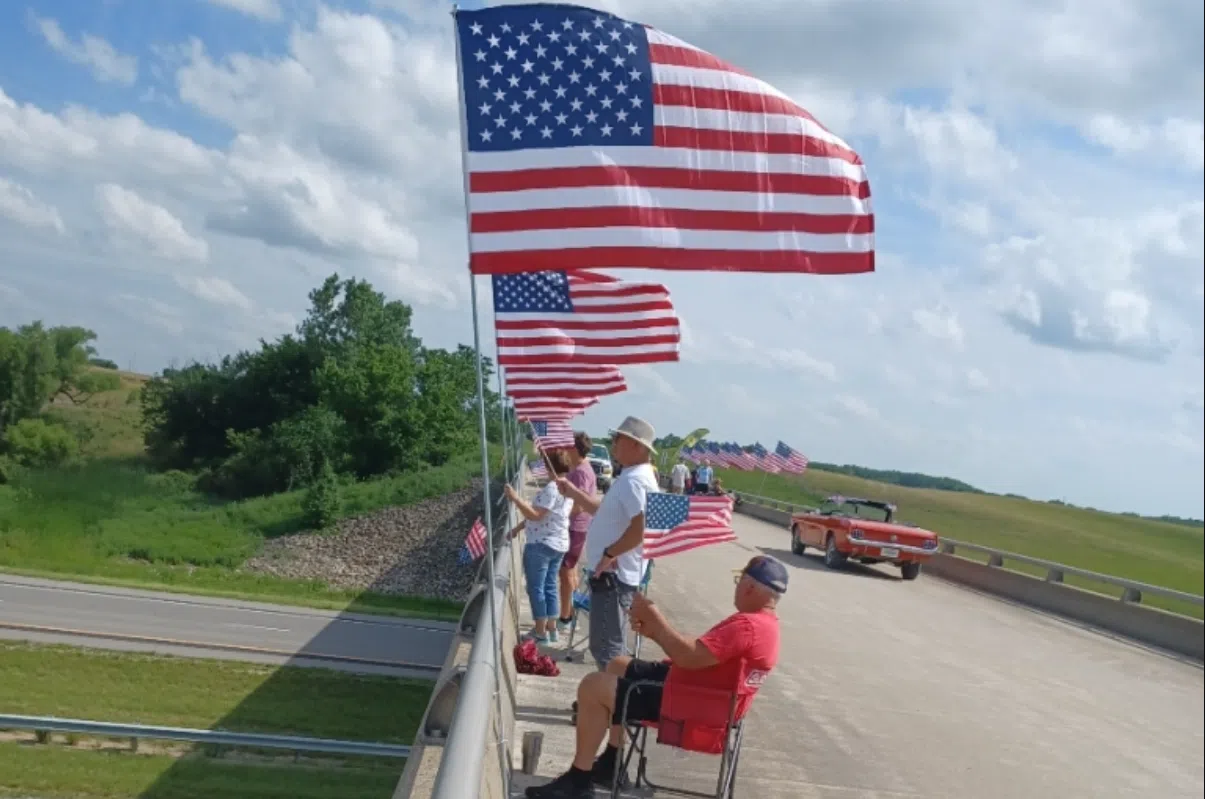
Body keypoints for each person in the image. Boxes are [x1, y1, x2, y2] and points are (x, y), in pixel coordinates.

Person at [524, 555, 787, 799]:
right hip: (706, 698)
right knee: (617, 664)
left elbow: (689, 656)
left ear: (750, 587)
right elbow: (702, 653)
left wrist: (656, 620)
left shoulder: (748, 626)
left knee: (593, 686)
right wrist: (654, 633)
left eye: (738, 581)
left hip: (688, 705)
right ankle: (611, 763)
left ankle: (578, 782)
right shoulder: (767, 626)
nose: (736, 588)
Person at [555, 416, 658, 670]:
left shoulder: (636, 481)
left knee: (608, 648)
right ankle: (610, 700)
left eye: (618, 439)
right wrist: (572, 491)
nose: (613, 444)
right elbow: (602, 511)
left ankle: (611, 703)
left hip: (614, 576)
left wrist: (609, 554)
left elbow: (642, 527)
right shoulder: (631, 476)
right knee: (604, 645)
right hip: (612, 574)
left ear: (637, 446)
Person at [506, 449, 574, 643]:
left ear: (550, 466)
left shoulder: (552, 488)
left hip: (541, 544)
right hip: (559, 544)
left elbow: (536, 515)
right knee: (550, 586)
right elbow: (544, 516)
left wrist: (515, 498)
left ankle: (540, 631)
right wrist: (518, 528)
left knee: (536, 588)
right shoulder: (567, 487)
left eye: (545, 464)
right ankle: (552, 629)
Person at [557, 432, 597, 632]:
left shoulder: (581, 471)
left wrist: (558, 515)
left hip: (575, 526)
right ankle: (569, 613)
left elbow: (580, 504)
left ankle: (565, 617)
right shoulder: (580, 468)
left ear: (574, 448)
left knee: (565, 572)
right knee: (569, 571)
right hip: (575, 527)